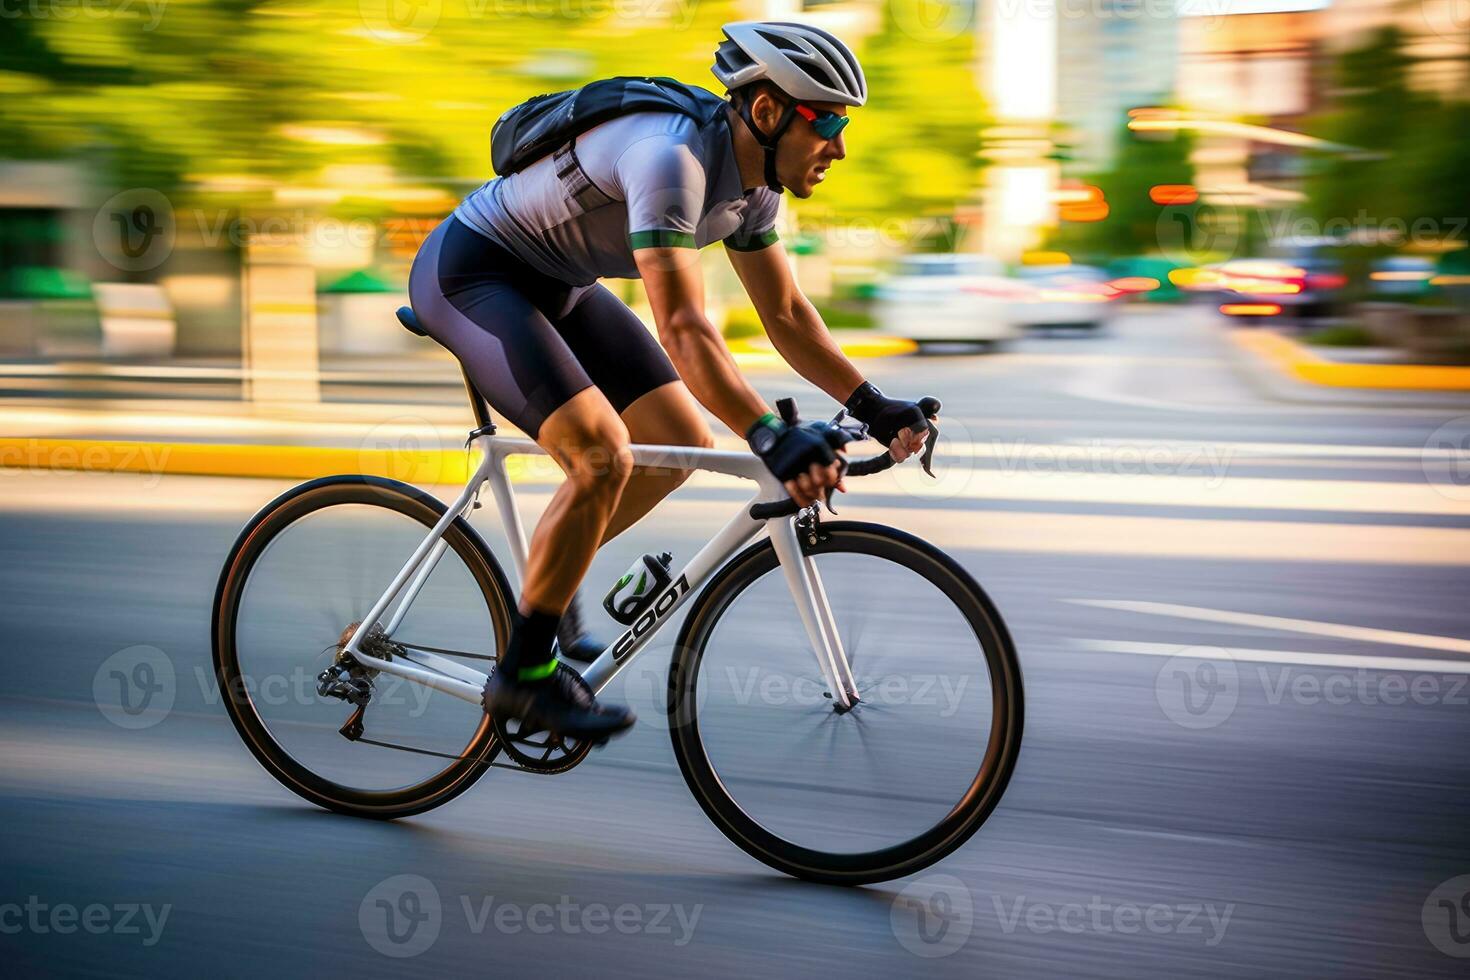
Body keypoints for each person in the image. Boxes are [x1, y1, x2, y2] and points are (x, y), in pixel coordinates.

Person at [408, 21, 929, 741]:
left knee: (677, 441)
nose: (841, 145)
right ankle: (522, 677)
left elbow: (783, 313)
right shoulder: (669, 158)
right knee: (601, 452)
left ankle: (545, 604)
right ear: (769, 112)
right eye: (830, 122)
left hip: (562, 285)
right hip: (473, 274)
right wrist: (770, 435)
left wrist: (872, 405)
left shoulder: (756, 187)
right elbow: (684, 328)